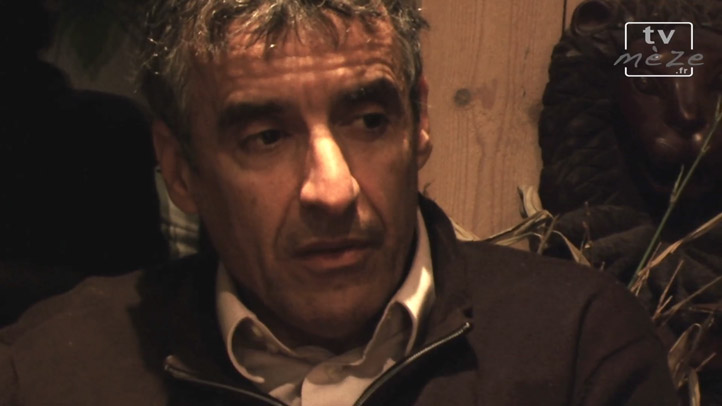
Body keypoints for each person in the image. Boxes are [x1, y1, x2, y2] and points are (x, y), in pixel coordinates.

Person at [0, 0, 677, 405]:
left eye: (369, 121)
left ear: (419, 122)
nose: (333, 189)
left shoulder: (576, 348)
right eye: (266, 137)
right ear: (181, 170)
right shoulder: (52, 371)